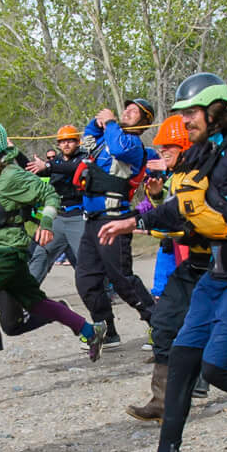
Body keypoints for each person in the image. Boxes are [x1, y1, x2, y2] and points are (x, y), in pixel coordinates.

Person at [107, 75, 227, 452]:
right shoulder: (204, 152)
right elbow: (181, 210)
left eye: (191, 112)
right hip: (216, 273)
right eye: (183, 113)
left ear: (215, 110)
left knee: (219, 369)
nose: (185, 121)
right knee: (183, 356)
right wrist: (135, 220)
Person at [0, 118, 105, 390]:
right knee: (19, 319)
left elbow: (50, 194)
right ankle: (90, 330)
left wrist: (45, 223)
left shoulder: (12, 177)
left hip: (6, 252)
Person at [126, 112, 199, 423]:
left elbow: (186, 221)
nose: (162, 154)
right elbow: (170, 217)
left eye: (168, 147)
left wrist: (145, 221)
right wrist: (155, 199)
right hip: (189, 264)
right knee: (165, 322)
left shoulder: (200, 175)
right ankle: (163, 401)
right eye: (160, 148)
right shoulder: (176, 177)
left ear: (185, 146)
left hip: (218, 266)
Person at [76, 100, 159, 340]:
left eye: (133, 112)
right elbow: (88, 141)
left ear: (143, 123)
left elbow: (120, 149)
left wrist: (111, 122)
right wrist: (97, 122)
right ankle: (106, 330)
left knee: (122, 279)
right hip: (91, 221)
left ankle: (158, 322)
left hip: (114, 220)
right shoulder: (106, 138)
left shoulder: (132, 144)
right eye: (126, 109)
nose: (126, 112)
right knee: (86, 280)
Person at [28, 123, 86, 287]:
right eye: (62, 141)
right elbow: (35, 169)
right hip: (58, 217)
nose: (66, 144)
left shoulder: (84, 158)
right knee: (40, 255)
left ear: (77, 142)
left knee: (86, 261)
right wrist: (17, 154)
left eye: (70, 140)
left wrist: (48, 165)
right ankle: (28, 296)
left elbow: (74, 168)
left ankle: (104, 291)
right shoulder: (57, 161)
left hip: (78, 217)